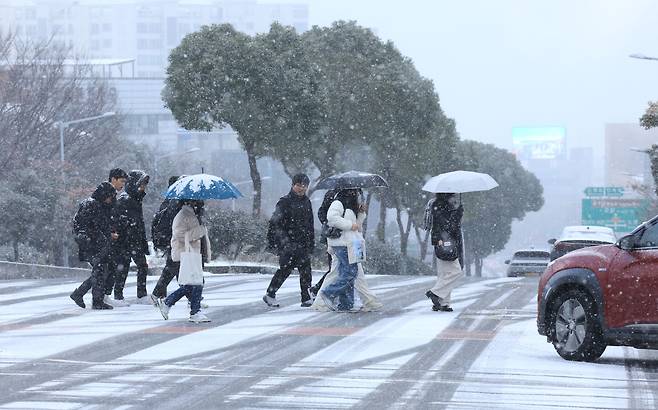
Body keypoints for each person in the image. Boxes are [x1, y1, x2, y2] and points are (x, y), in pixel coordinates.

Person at [263, 173, 315, 308]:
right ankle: (270, 294)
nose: (301, 188)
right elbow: (275, 224)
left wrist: (311, 243)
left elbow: (310, 224)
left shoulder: (306, 201)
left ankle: (306, 297)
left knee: (306, 271)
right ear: (293, 185)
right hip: (288, 243)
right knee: (285, 270)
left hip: (303, 243)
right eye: (299, 185)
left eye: (304, 186)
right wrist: (283, 242)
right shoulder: (284, 202)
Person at [155, 199, 211, 323]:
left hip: (191, 253)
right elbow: (179, 234)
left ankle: (169, 303)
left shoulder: (191, 214)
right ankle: (194, 311)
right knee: (195, 283)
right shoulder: (183, 215)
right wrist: (200, 231)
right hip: (184, 254)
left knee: (192, 284)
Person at [70, 182, 117, 310]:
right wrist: (90, 238)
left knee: (101, 270)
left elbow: (99, 225)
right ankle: (96, 301)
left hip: (98, 243)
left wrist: (108, 234)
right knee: (100, 270)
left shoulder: (99, 205)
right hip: (92, 244)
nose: (110, 199)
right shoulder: (91, 205)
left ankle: (80, 294)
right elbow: (86, 225)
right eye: (109, 196)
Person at [319, 188, 368, 311]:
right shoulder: (339, 202)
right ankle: (328, 293)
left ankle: (346, 303)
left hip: (353, 242)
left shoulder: (353, 205)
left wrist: (361, 213)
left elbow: (358, 226)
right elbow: (332, 218)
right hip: (342, 242)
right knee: (351, 272)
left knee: (346, 272)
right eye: (354, 192)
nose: (356, 194)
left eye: (357, 192)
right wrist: (350, 225)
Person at [111, 169, 151, 304]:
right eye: (141, 184)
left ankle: (141, 294)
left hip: (135, 240)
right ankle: (119, 295)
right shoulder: (125, 199)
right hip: (126, 240)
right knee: (123, 267)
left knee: (141, 266)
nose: (143, 187)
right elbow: (117, 220)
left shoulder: (135, 199)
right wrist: (128, 225)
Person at [425, 193, 464, 312]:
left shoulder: (437, 204)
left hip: (441, 243)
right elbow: (448, 225)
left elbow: (439, 225)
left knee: (444, 273)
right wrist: (458, 213)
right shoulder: (442, 205)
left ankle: (443, 303)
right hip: (447, 243)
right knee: (456, 271)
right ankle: (435, 293)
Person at [150, 175, 184, 300]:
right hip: (174, 240)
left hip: (172, 239)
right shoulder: (173, 202)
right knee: (174, 268)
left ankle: (158, 294)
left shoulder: (170, 201)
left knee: (175, 269)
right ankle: (157, 294)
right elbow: (174, 222)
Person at [103, 168, 128, 306]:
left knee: (110, 268)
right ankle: (103, 296)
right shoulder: (107, 195)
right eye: (121, 181)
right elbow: (106, 217)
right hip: (108, 238)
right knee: (106, 269)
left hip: (113, 237)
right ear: (113, 179)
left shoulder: (114, 196)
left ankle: (105, 295)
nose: (123, 184)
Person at [308, 189, 337, 299]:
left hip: (346, 237)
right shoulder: (332, 194)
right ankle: (319, 290)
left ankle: (319, 289)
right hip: (333, 237)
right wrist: (329, 224)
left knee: (339, 268)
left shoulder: (354, 194)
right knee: (334, 268)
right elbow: (321, 212)